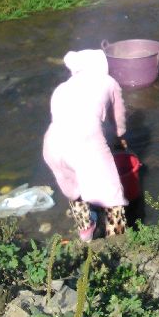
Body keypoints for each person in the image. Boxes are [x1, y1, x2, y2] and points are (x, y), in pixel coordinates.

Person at [43, 49, 128, 242]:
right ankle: (118, 244)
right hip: (86, 143)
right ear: (101, 65)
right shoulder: (108, 82)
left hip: (52, 145)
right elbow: (118, 117)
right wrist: (119, 137)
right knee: (112, 197)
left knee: (74, 189)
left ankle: (86, 231)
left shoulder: (61, 88)